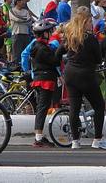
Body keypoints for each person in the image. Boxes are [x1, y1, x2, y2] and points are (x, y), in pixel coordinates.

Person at [55, 6, 106, 150]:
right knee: (99, 105)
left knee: (74, 108)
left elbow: (57, 53)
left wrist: (64, 62)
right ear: (85, 22)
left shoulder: (70, 37)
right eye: (89, 21)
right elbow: (98, 59)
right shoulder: (91, 39)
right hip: (86, 75)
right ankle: (97, 139)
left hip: (70, 74)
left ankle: (75, 141)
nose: (91, 24)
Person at [29, 18, 61, 148]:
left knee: (42, 107)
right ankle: (38, 138)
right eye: (48, 32)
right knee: (42, 108)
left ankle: (40, 136)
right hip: (45, 79)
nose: (50, 34)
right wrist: (60, 50)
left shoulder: (38, 46)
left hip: (40, 78)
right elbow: (55, 61)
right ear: (44, 33)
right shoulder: (43, 48)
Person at [10, 0, 33, 64]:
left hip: (26, 34)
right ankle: (16, 68)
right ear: (17, 2)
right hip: (17, 34)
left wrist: (22, 20)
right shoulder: (12, 10)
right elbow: (16, 19)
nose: (23, 2)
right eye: (22, 1)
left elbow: (29, 21)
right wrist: (24, 19)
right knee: (16, 54)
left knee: (26, 53)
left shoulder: (25, 11)